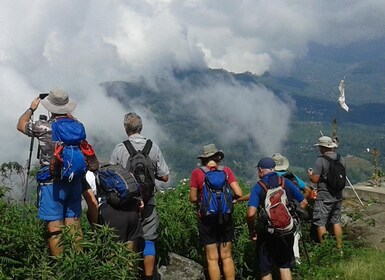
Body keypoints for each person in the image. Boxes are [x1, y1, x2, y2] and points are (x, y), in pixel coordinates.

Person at [16, 88, 87, 256]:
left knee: (55, 230)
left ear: (50, 107)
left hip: (51, 183)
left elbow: (21, 125)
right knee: (74, 225)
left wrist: (31, 108)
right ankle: (79, 266)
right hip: (74, 180)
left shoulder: (43, 127)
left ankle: (61, 268)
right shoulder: (78, 126)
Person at [109, 112, 169, 280]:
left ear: (125, 128)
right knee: (149, 240)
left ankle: (130, 275)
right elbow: (165, 176)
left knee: (130, 239)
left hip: (127, 204)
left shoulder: (120, 148)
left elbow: (111, 176)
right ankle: (149, 276)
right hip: (149, 201)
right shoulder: (153, 147)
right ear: (141, 128)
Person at [247, 157, 308, 280]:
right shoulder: (286, 182)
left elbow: (251, 213)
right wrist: (290, 217)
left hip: (267, 232)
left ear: (260, 170)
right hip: (287, 231)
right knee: (285, 266)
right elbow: (304, 202)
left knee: (265, 269)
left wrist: (252, 230)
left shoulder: (259, 186)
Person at [189, 143, 243, 280]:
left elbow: (193, 198)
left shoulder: (197, 173)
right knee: (226, 256)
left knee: (212, 258)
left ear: (203, 159)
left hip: (206, 219)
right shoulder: (226, 171)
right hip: (225, 217)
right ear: (218, 157)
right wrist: (231, 200)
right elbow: (239, 192)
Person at [271, 152, 311, 265]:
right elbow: (307, 190)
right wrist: (299, 205)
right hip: (294, 212)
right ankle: (297, 266)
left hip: (278, 216)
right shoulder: (292, 177)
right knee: (295, 240)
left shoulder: (272, 179)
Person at [307, 136, 345, 251]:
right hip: (338, 195)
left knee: (320, 222)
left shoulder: (321, 160)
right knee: (336, 221)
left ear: (322, 147)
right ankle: (340, 248)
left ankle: (326, 250)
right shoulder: (340, 158)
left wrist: (310, 175)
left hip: (324, 196)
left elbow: (315, 179)